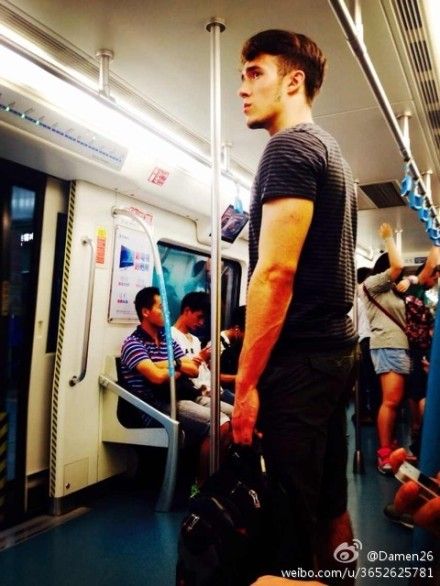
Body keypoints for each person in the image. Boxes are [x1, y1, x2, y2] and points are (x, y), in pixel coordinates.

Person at [233, 29, 358, 579]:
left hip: (300, 364)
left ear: (293, 81)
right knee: (330, 508)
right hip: (333, 356)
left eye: (254, 73)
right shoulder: (332, 152)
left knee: (283, 536)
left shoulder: (289, 148)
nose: (242, 88)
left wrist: (244, 388)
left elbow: (275, 273)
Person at [120, 286, 231, 485]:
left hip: (183, 393)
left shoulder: (167, 339)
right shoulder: (133, 344)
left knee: (236, 415)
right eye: (161, 307)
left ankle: (220, 476)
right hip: (157, 404)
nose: (167, 312)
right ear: (145, 312)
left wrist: (166, 364)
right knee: (221, 424)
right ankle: (203, 485)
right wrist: (179, 365)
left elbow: (194, 370)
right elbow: (156, 378)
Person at [362, 223, 408, 475]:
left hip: (397, 345)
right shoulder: (372, 284)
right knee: (390, 401)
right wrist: (389, 238)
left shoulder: (390, 289)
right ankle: (383, 452)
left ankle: (390, 444)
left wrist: (409, 281)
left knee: (394, 401)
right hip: (387, 344)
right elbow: (398, 266)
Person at [172, 291, 233, 417]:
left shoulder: (195, 340)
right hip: (197, 393)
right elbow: (183, 370)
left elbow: (203, 370)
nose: (201, 322)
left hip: (213, 389)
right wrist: (201, 358)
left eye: (204, 319)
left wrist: (206, 361)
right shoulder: (171, 336)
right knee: (234, 414)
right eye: (199, 317)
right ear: (187, 311)